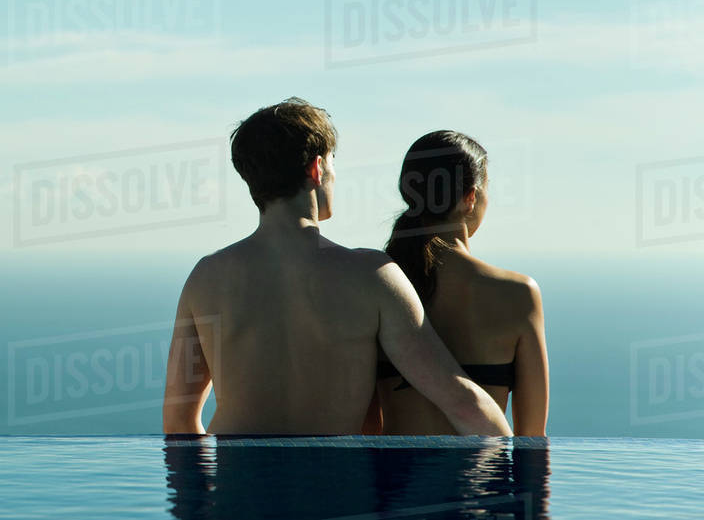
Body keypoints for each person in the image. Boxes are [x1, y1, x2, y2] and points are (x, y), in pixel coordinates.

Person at [162, 99, 511, 436]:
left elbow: (179, 423)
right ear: (316, 168)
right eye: (332, 162)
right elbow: (464, 405)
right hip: (333, 488)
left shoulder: (206, 277)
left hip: (235, 489)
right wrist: (513, 481)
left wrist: (208, 495)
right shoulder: (372, 275)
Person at [371, 131, 549, 436]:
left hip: (396, 481)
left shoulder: (378, 284)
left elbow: (365, 425)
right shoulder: (518, 295)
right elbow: (531, 438)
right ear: (470, 197)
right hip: (480, 482)